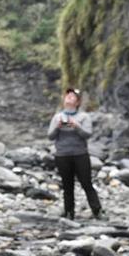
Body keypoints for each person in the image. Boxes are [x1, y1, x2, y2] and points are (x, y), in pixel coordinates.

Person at [48, 87, 103, 220]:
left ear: (77, 102)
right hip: (62, 155)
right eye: (68, 96)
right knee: (67, 185)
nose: (69, 98)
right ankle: (69, 212)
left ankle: (97, 210)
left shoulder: (84, 117)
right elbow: (50, 136)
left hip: (80, 154)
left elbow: (87, 134)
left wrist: (76, 126)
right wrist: (58, 127)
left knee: (86, 183)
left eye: (73, 97)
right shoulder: (57, 117)